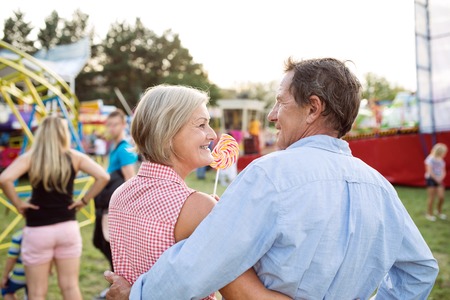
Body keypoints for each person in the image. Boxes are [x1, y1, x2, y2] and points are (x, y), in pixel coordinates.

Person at [105, 58, 439, 299]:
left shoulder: (270, 175)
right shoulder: (380, 187)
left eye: (280, 102)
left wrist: (138, 294)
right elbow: (420, 270)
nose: (271, 115)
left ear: (312, 108)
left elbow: (198, 266)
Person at [106, 84, 290, 300]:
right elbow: (243, 295)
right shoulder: (196, 207)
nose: (212, 135)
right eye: (201, 125)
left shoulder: (120, 193)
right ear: (167, 133)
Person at [0, 115, 110, 300]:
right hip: (67, 228)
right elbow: (103, 176)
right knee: (70, 287)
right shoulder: (74, 157)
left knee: (36, 292)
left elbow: (4, 179)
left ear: (41, 134)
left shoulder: (31, 158)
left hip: (37, 230)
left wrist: (18, 203)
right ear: (63, 134)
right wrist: (83, 201)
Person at [93, 108, 138, 299]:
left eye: (115, 124)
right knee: (101, 242)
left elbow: (131, 180)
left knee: (109, 245)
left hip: (114, 208)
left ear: (124, 125)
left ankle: (120, 285)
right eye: (108, 125)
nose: (111, 128)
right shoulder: (116, 146)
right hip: (107, 206)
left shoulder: (124, 149)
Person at [424, 142, 448, 221]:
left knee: (441, 197)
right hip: (431, 179)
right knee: (432, 198)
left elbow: (443, 171)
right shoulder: (430, 159)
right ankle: (429, 214)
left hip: (439, 179)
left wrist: (441, 178)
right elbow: (430, 171)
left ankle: (438, 211)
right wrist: (436, 179)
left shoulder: (441, 160)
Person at [1, 229, 26, 300]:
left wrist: (5, 277)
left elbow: (11, 258)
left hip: (20, 275)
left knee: (5, 290)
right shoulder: (44, 234)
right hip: (38, 276)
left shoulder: (19, 236)